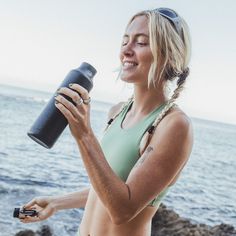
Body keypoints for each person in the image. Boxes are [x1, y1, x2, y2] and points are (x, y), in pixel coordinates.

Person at [19, 7, 193, 236]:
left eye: (140, 43)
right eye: (125, 41)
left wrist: (84, 134)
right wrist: (56, 202)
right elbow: (108, 188)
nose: (126, 51)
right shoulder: (117, 112)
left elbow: (122, 209)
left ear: (169, 55)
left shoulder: (173, 125)